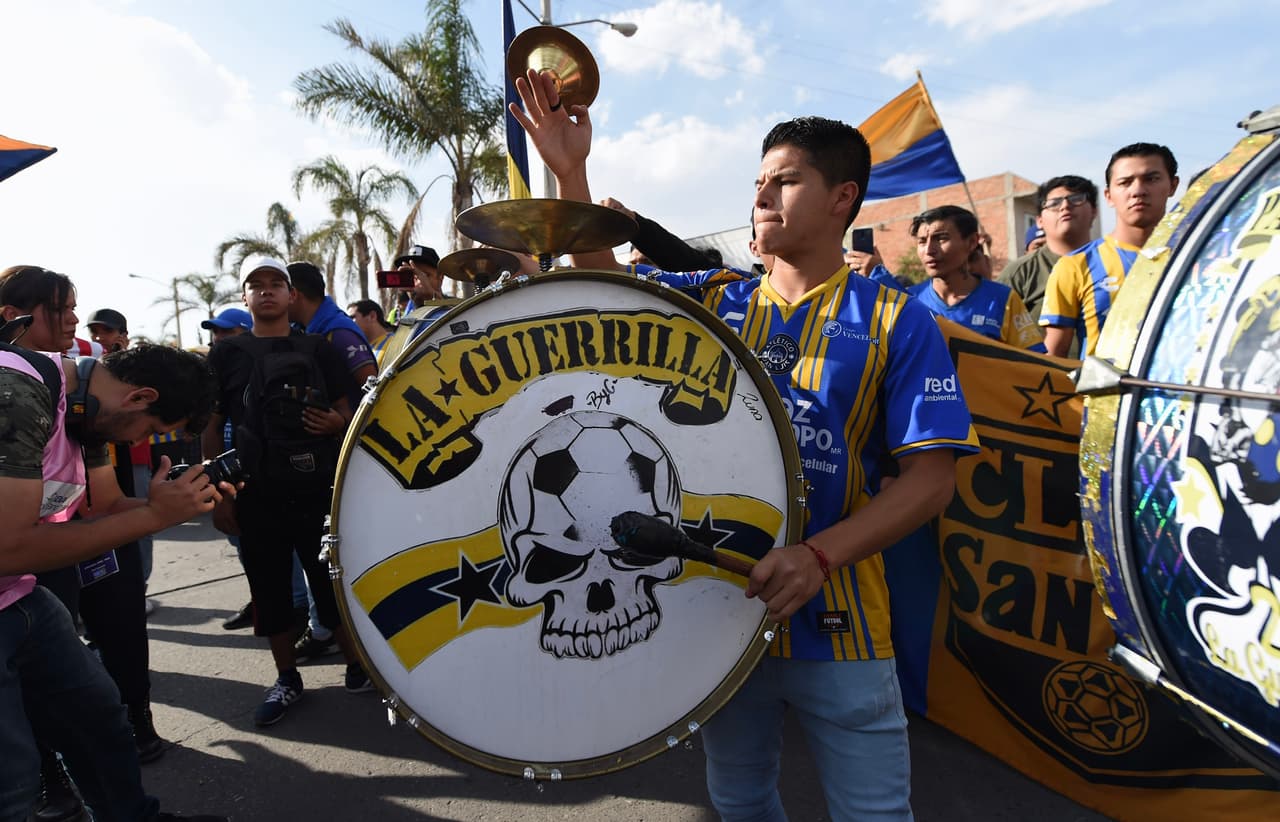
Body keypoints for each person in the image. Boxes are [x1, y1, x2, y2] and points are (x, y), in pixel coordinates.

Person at [512, 69, 978, 821]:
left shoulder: (900, 320)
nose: (762, 194)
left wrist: (817, 556)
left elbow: (931, 482)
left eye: (785, 181)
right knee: (740, 802)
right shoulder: (714, 299)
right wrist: (572, 171)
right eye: (759, 180)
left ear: (843, 199)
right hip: (721, 618)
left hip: (844, 625)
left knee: (875, 815)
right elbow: (604, 288)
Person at [0, 264, 231, 822]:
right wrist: (153, 515)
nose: (141, 443)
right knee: (13, 780)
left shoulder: (86, 407)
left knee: (99, 714)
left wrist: (180, 503)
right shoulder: (19, 392)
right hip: (11, 575)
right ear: (139, 396)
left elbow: (104, 506)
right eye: (149, 430)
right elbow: (8, 547)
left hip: (17, 598)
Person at [204, 255, 372, 729]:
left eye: (275, 283)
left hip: (319, 490)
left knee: (333, 584)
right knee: (270, 592)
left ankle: (358, 667)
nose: (266, 290)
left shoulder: (319, 348)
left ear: (291, 293)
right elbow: (211, 428)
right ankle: (286, 678)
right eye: (255, 284)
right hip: (256, 494)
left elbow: (348, 411)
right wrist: (220, 493)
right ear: (244, 297)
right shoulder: (226, 356)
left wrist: (337, 422)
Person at [1040, 144, 1179, 357]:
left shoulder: (1198, 256)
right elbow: (1053, 358)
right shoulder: (1075, 266)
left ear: (1173, 185)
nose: (1138, 191)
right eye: (1125, 183)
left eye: (1151, 179)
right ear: (1108, 196)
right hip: (1102, 380)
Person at [907, 205, 1045, 351]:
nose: (929, 250)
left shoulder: (1003, 299)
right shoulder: (908, 301)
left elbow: (1032, 360)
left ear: (972, 242)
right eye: (922, 241)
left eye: (941, 239)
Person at [998, 175, 1099, 329]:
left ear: (1094, 211)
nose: (1065, 206)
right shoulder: (1019, 273)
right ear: (1039, 221)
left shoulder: (1116, 261)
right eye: (1054, 203)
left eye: (1076, 199)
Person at [346, 299, 393, 367]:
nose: (348, 323)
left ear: (372, 316)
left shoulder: (395, 343)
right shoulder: (360, 351)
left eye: (352, 318)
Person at [395, 245, 443, 310]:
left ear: (440, 277)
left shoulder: (455, 309)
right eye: (410, 276)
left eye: (425, 275)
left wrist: (433, 298)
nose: (418, 283)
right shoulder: (402, 314)